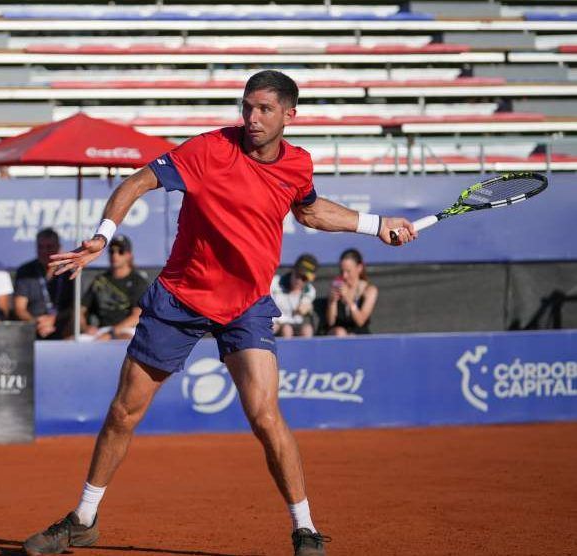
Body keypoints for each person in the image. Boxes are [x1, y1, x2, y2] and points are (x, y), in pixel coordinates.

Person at [24, 70, 416, 556]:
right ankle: (83, 519)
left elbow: (310, 212)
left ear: (289, 116)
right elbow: (136, 182)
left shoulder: (298, 165)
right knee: (124, 412)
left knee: (264, 415)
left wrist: (377, 225)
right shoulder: (208, 149)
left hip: (246, 305)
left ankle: (305, 529)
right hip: (180, 299)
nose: (251, 117)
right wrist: (103, 235)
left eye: (265, 109)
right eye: (247, 106)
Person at [80, 234, 149, 340]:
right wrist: (85, 328)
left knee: (124, 339)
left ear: (129, 255)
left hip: (128, 330)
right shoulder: (100, 280)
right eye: (112, 251)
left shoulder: (138, 281)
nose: (115, 255)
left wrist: (112, 333)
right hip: (101, 331)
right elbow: (80, 310)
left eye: (120, 251)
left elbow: (137, 317)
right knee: (69, 342)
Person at [14, 228, 75, 339]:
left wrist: (53, 319)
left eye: (49, 247)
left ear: (59, 248)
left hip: (63, 328)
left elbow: (75, 308)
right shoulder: (25, 271)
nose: (44, 251)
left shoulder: (69, 271)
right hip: (33, 328)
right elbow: (19, 308)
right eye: (40, 247)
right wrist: (37, 323)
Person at [326, 248, 377, 336]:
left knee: (352, 336)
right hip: (338, 333)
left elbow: (360, 321)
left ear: (359, 268)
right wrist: (332, 301)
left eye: (348, 271)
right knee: (339, 332)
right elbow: (331, 322)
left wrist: (349, 300)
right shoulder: (336, 286)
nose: (344, 276)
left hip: (360, 334)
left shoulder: (369, 290)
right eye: (342, 271)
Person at [271, 253, 318, 338]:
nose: (299, 281)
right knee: (286, 329)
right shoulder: (275, 283)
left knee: (307, 329)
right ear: (293, 270)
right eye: (297, 275)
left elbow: (302, 312)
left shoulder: (310, 291)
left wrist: (309, 308)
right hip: (276, 323)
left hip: (296, 325)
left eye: (304, 278)